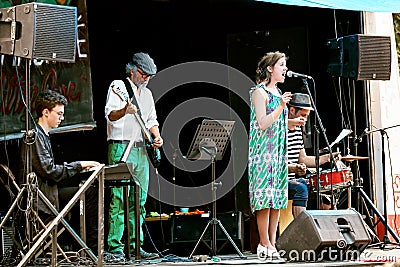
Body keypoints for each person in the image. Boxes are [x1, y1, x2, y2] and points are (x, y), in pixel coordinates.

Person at [19, 89, 101, 252]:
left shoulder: (42, 135)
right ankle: (89, 248)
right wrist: (81, 165)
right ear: (45, 112)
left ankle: (83, 246)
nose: (62, 118)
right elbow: (49, 171)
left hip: (48, 192)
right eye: (59, 114)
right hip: (41, 198)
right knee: (90, 191)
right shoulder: (35, 136)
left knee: (87, 188)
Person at [104, 52, 163, 262]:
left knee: (139, 199)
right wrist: (125, 110)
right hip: (121, 147)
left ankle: (135, 246)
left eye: (149, 75)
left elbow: (151, 120)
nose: (146, 78)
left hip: (140, 149)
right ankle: (114, 247)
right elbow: (110, 115)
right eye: (143, 73)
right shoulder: (118, 86)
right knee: (119, 198)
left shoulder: (147, 95)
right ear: (132, 70)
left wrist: (157, 136)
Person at [248, 51, 292, 259]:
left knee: (276, 200)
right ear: (270, 69)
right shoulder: (260, 93)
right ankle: (263, 243)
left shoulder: (278, 92)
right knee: (264, 200)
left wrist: (291, 122)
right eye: (281, 65)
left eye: (285, 65)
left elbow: (277, 124)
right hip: (263, 154)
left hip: (278, 154)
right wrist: (281, 107)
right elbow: (263, 123)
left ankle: (272, 244)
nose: (284, 69)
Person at [287, 93, 341, 217]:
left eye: (307, 116)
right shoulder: (279, 131)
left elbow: (303, 159)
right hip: (279, 180)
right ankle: (300, 227)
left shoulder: (298, 132)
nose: (305, 120)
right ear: (291, 110)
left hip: (292, 178)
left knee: (322, 185)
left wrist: (328, 157)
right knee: (301, 188)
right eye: (302, 116)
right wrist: (294, 168)